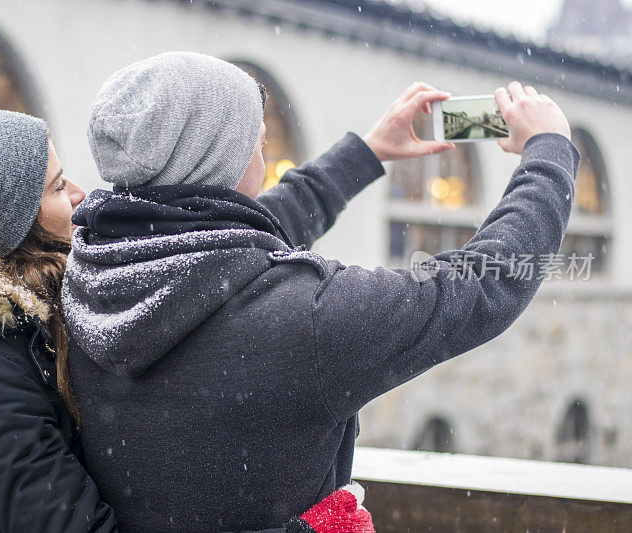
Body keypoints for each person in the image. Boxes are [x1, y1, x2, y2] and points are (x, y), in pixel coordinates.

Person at [62, 52, 579, 532]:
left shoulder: (88, 278)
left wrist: (366, 154)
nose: (263, 163)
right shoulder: (301, 319)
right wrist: (550, 153)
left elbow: (239, 236)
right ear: (219, 160)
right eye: (259, 143)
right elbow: (480, 283)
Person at [0, 110, 374, 533]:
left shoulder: (31, 304)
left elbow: (218, 251)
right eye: (56, 185)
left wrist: (364, 155)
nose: (80, 195)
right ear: (4, 226)